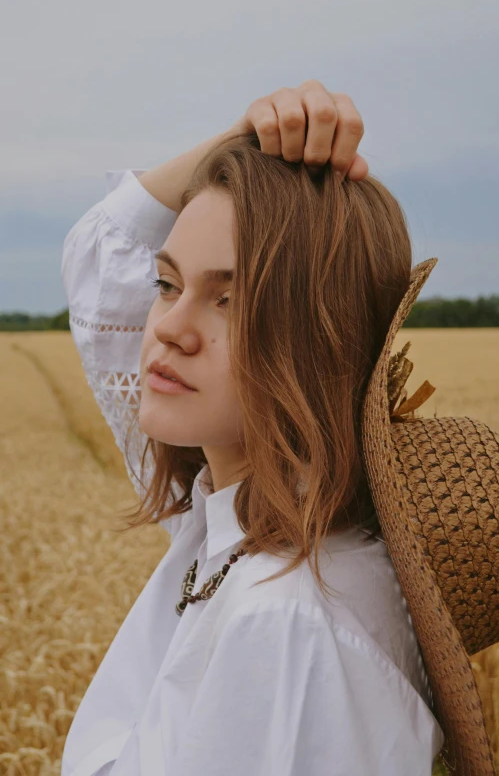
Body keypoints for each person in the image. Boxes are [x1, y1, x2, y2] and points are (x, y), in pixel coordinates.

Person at [59, 80, 447, 775]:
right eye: (168, 285)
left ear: (319, 341)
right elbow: (106, 256)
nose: (168, 330)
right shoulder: (237, 522)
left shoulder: (279, 619)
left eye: (229, 300)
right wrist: (242, 140)